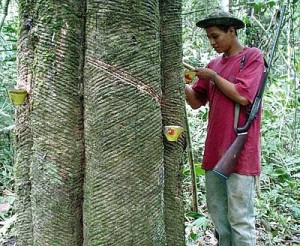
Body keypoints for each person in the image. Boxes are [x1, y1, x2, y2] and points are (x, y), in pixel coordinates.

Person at [185, 10, 265, 245]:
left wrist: (213, 77)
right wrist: (181, 83)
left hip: (241, 154)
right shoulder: (213, 65)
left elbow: (243, 96)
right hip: (214, 153)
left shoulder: (252, 57)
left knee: (241, 221)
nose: (212, 42)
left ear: (232, 31)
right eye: (209, 37)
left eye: (216, 36)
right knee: (220, 220)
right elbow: (197, 101)